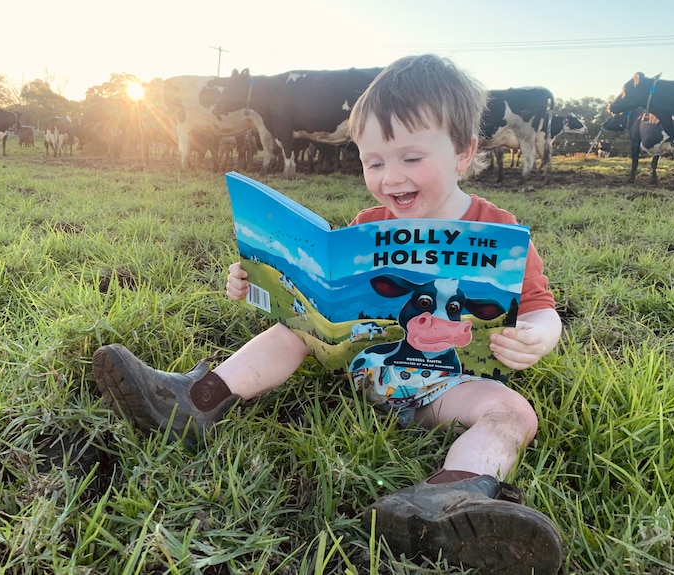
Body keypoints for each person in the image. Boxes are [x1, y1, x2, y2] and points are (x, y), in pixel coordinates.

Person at [92, 54, 563, 575]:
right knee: (290, 331)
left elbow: (542, 308)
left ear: (463, 153)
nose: (390, 178)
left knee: (513, 411)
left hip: (448, 389)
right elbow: (321, 292)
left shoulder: (498, 231)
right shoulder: (368, 223)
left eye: (411, 158)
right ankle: (195, 400)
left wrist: (538, 334)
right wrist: (255, 281)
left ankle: (455, 499)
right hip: (360, 362)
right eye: (374, 162)